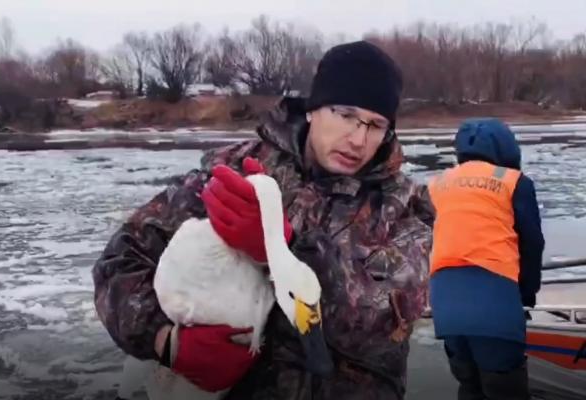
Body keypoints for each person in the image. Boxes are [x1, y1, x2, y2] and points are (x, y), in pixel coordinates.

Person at [93, 40, 434, 400]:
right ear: (313, 108)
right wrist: (165, 341)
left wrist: (282, 252)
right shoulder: (230, 175)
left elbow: (382, 319)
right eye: (345, 114)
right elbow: (120, 260)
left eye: (376, 124)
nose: (358, 139)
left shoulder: (406, 206)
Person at [427, 118, 545, 400]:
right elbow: (532, 244)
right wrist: (526, 294)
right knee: (506, 390)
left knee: (470, 388)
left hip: (446, 305)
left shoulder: (436, 185)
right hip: (495, 304)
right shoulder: (514, 183)